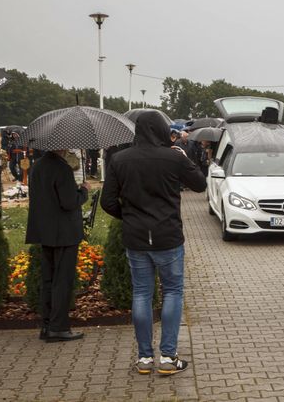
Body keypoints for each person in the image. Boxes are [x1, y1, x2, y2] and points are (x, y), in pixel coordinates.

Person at [101, 110, 207, 375]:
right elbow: (199, 185)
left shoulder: (119, 159)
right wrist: (184, 158)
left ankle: (145, 358)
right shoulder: (173, 157)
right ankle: (168, 357)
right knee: (172, 292)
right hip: (167, 235)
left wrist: (129, 217)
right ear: (161, 130)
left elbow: (108, 202)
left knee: (141, 294)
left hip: (136, 237)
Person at [25, 149, 90, 342]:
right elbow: (69, 202)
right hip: (64, 233)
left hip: (45, 231)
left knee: (48, 279)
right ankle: (59, 327)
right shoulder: (61, 168)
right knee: (62, 280)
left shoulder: (37, 166)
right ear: (59, 146)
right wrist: (83, 190)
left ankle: (46, 325)